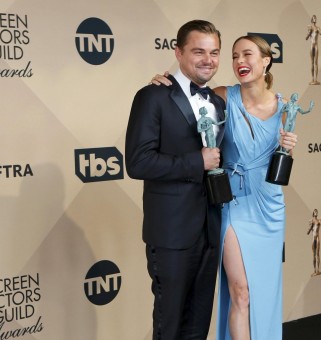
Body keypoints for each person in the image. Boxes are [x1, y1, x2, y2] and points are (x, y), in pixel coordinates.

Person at [151, 34, 299, 340]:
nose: (240, 62)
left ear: (266, 60)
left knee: (264, 292)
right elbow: (185, 106)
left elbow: (278, 162)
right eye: (234, 56)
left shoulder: (285, 107)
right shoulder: (221, 96)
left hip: (269, 205)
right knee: (240, 291)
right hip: (232, 201)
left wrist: (289, 147)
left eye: (247, 55)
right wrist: (164, 87)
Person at [125, 20, 226, 340]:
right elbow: (138, 162)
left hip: (210, 230)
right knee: (168, 326)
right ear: (178, 53)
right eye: (198, 51)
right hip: (170, 233)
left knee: (198, 326)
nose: (207, 59)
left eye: (214, 52)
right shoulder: (152, 97)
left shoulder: (219, 102)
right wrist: (197, 161)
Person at [306, 15, 321, 85]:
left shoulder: (317, 28)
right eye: (314, 18)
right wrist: (309, 32)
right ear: (312, 19)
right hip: (312, 45)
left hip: (316, 45)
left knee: (316, 63)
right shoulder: (310, 27)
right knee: (312, 63)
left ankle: (315, 79)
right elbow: (306, 38)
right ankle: (312, 79)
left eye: (316, 18)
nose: (315, 19)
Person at [308, 208, 321, 276]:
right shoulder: (311, 220)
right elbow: (308, 232)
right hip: (313, 238)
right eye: (315, 211)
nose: (316, 212)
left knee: (318, 254)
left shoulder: (319, 220)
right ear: (313, 213)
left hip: (318, 238)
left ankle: (318, 270)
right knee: (313, 255)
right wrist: (310, 227)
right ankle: (314, 271)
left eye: (317, 211)